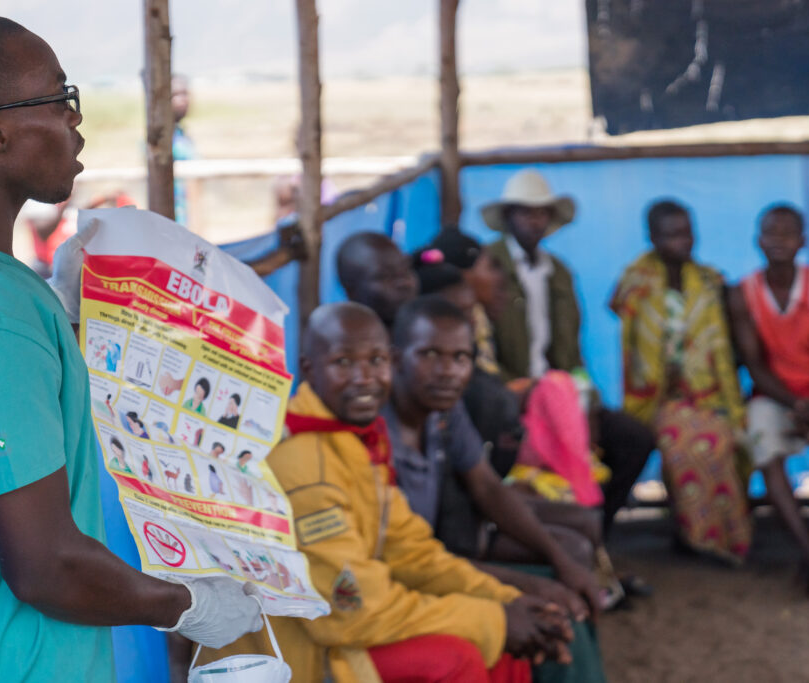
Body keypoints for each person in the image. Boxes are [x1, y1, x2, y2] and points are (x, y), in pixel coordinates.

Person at [0, 18, 262, 681]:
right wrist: (188, 603)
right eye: (59, 97)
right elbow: (47, 566)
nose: (78, 123)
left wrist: (59, 310)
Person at [206, 303, 574, 682]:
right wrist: (492, 619)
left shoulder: (350, 443)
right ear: (310, 370)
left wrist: (505, 601)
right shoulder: (305, 462)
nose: (364, 378)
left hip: (334, 634)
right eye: (343, 363)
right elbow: (353, 611)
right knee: (459, 656)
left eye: (376, 360)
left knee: (506, 648)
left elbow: (415, 553)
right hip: (296, 659)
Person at [385, 295, 607, 683]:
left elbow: (488, 486)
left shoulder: (442, 413)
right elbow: (411, 561)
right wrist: (530, 585)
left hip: (436, 567)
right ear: (395, 357)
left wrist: (559, 561)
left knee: (567, 603)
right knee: (550, 612)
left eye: (461, 357)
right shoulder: (375, 436)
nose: (447, 371)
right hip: (405, 583)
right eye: (430, 355)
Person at [480, 169, 656, 535]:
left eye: (541, 212)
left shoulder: (558, 272)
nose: (534, 220)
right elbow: (485, 360)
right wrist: (527, 395)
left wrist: (585, 400)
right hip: (511, 400)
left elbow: (572, 355)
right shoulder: (489, 266)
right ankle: (573, 542)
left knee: (634, 440)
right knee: (554, 452)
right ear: (509, 216)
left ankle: (596, 535)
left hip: (560, 393)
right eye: (525, 211)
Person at [610, 200, 751, 563]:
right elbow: (621, 314)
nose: (683, 242)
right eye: (671, 234)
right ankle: (697, 536)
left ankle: (720, 538)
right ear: (653, 238)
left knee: (722, 436)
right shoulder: (636, 282)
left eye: (687, 232)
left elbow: (724, 345)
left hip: (708, 392)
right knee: (685, 441)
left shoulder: (710, 281)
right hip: (655, 396)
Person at [728, 204, 809, 592]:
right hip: (773, 397)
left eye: (787, 233)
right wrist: (794, 405)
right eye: (770, 233)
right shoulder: (742, 294)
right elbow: (754, 364)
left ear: (803, 242)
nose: (778, 241)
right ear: (757, 241)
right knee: (767, 452)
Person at [336, 232, 419, 328]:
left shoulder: (430, 333)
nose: (404, 282)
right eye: (384, 276)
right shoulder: (342, 340)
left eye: (406, 269)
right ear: (350, 291)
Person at [170, 73, 197, 227]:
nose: (183, 100)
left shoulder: (183, 136)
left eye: (185, 94)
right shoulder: (158, 141)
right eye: (175, 94)